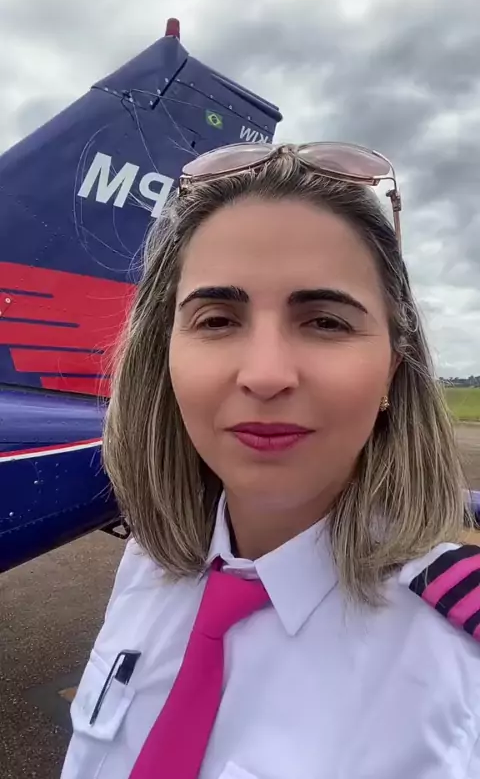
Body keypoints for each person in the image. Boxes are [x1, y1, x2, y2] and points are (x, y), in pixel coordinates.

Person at [61, 142, 480, 779]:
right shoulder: (150, 563)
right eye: (216, 320)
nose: (264, 374)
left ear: (394, 368)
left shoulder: (455, 653)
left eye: (326, 322)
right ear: (164, 354)